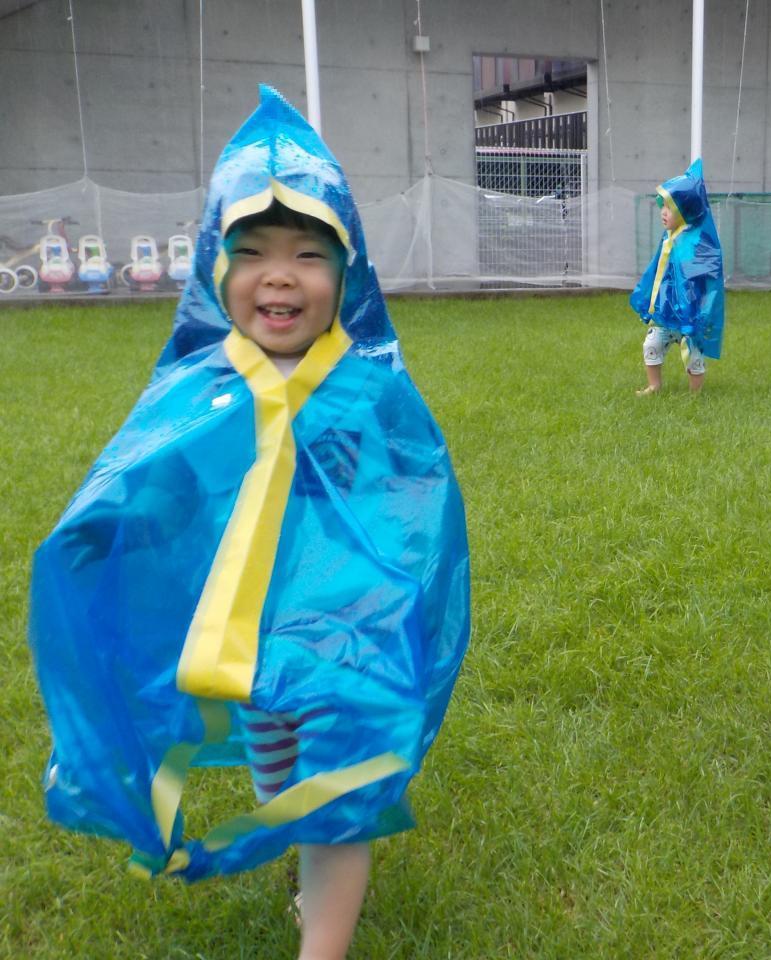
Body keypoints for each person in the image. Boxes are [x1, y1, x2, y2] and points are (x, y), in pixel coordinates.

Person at [28, 86, 470, 960]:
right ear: (214, 269)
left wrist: (390, 611)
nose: (279, 275)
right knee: (279, 770)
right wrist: (105, 533)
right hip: (253, 640)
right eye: (252, 253)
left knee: (338, 792)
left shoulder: (370, 391)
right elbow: (159, 489)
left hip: (351, 634)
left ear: (348, 273)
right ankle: (303, 853)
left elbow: (415, 515)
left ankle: (324, 939)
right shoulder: (201, 390)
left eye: (309, 253)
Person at [629, 158, 725, 394]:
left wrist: (699, 311)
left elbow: (706, 275)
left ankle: (696, 394)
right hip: (665, 312)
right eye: (662, 206)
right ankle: (654, 385)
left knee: (693, 355)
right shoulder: (669, 237)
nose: (663, 213)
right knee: (651, 344)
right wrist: (647, 299)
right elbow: (657, 270)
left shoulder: (698, 242)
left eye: (669, 208)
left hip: (690, 313)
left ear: (686, 211)